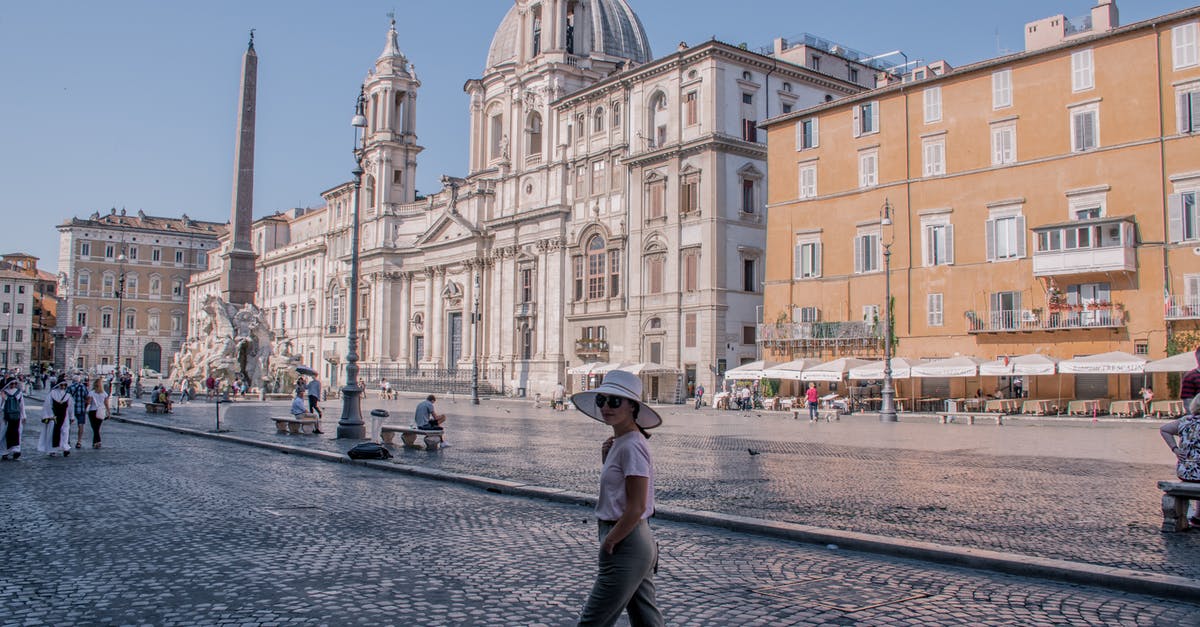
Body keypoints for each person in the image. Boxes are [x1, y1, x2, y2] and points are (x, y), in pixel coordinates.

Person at [570, 370, 664, 627]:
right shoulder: (620, 442)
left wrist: (609, 542)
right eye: (602, 400)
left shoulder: (632, 445)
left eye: (615, 401)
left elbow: (637, 506)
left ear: (632, 406)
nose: (606, 407)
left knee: (592, 621)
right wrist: (606, 460)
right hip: (633, 539)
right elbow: (619, 492)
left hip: (626, 540)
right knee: (646, 620)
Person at [1160, 395, 1200, 527]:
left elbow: (1164, 429)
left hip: (1185, 472)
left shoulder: (1185, 420)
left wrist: (1175, 449)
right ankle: (1197, 517)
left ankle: (1197, 517)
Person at [40, 378, 74, 457]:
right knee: (53, 432)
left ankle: (65, 448)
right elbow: (47, 405)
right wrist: (48, 416)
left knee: (65, 432)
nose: (63, 387)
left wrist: (72, 417)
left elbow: (70, 407)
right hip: (54, 416)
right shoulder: (52, 393)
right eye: (61, 385)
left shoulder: (68, 395)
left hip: (64, 416)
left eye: (64, 385)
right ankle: (53, 449)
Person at [1, 377, 27, 461]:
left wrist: (23, 416)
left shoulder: (19, 393)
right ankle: (5, 452)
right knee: (5, 434)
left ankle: (16, 450)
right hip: (6, 417)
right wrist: (4, 399)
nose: (13, 385)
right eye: (12, 384)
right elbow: (1, 407)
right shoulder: (3, 393)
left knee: (17, 433)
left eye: (15, 384)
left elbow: (21, 405)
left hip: (16, 416)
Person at [66, 375, 90, 450]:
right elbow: (87, 398)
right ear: (79, 380)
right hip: (81, 408)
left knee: (68, 425)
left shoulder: (69, 387)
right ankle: (79, 441)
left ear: (72, 380)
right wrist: (85, 407)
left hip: (70, 409)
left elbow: (66, 398)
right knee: (80, 425)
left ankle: (67, 440)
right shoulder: (83, 387)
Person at [86, 377, 110, 449]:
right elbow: (106, 404)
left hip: (92, 411)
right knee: (97, 428)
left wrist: (86, 408)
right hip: (101, 411)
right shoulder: (104, 393)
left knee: (94, 428)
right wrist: (108, 412)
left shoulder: (91, 393)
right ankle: (95, 442)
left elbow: (89, 402)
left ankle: (98, 441)